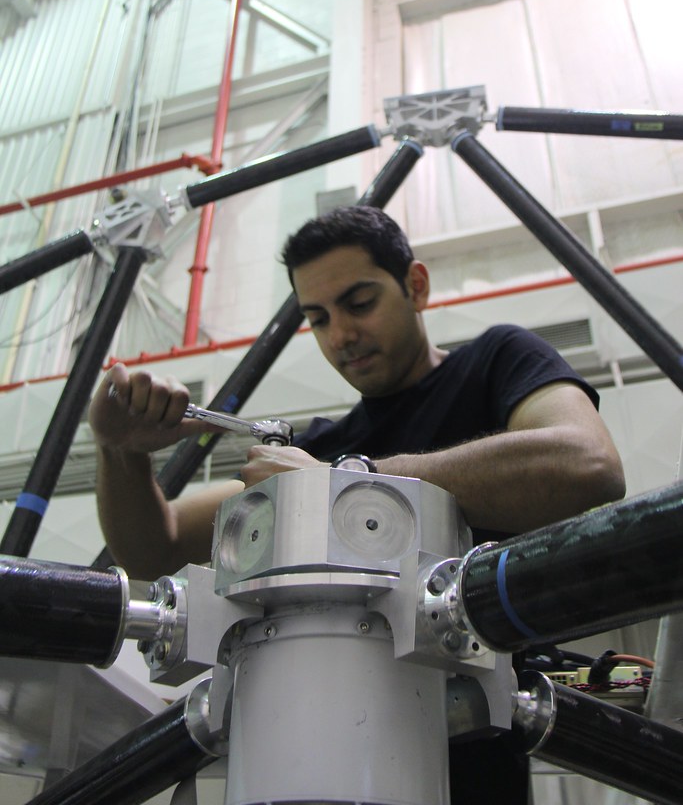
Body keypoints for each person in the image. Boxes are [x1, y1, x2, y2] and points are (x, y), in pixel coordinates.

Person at [89, 205, 625, 804]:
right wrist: (119, 453)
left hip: (469, 760)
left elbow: (587, 464)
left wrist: (351, 483)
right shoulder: (316, 447)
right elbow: (153, 546)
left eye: (359, 302)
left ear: (415, 285)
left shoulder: (496, 362)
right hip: (305, 758)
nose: (340, 334)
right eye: (317, 318)